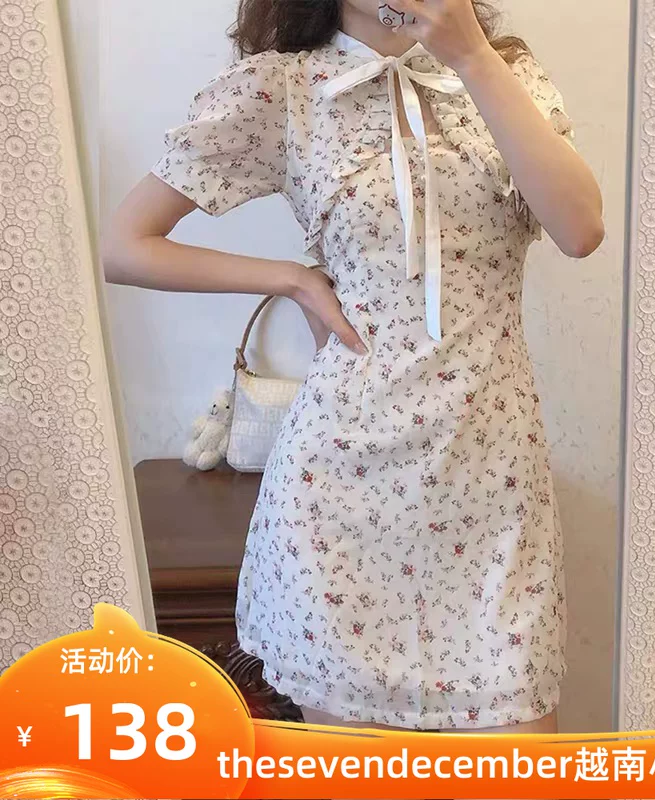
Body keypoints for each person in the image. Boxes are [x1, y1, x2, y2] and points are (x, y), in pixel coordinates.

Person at [104, 0, 604, 736]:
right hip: (339, 502)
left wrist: (470, 56)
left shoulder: (505, 75)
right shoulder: (283, 89)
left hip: (491, 493)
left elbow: (581, 228)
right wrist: (290, 279)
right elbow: (125, 245)